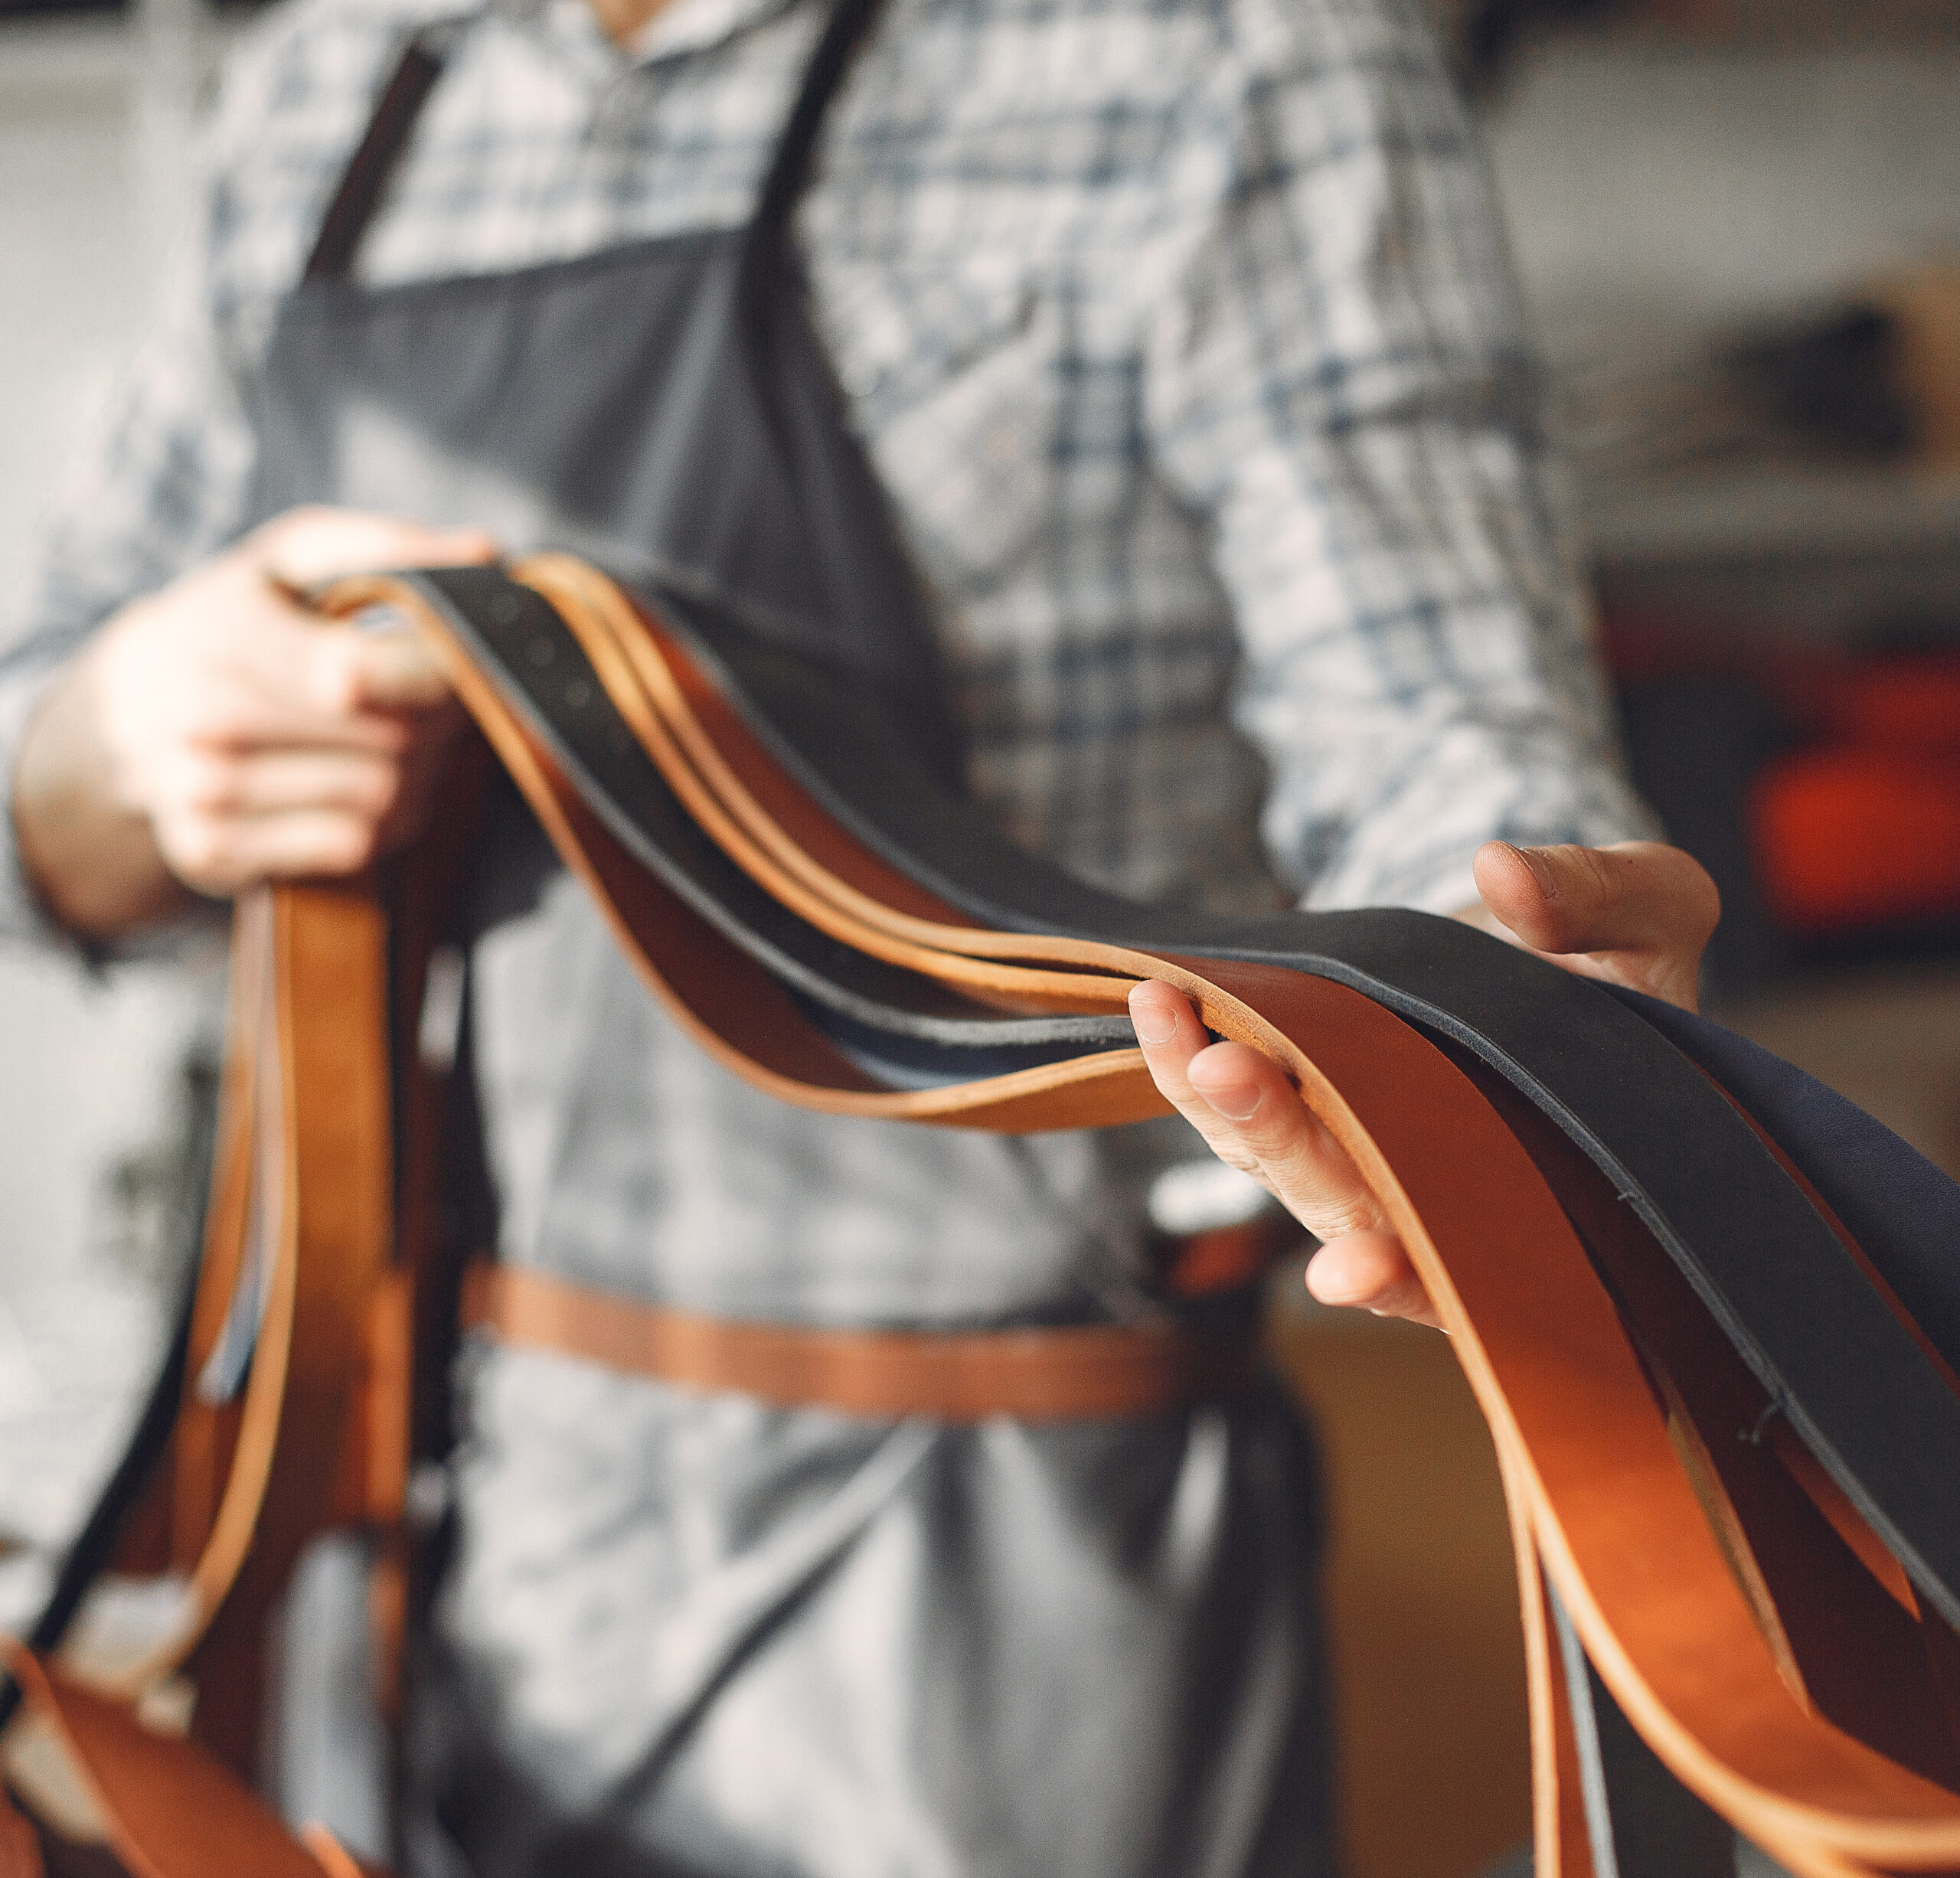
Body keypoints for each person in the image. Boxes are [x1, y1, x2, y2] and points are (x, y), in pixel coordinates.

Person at [0, 0, 1717, 1865]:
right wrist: (117, 737)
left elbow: (1433, 733)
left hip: (995, 1570)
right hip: (400, 1531)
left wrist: (1509, 1036)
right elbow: (44, 782)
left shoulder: (1226, 52)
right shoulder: (337, 80)